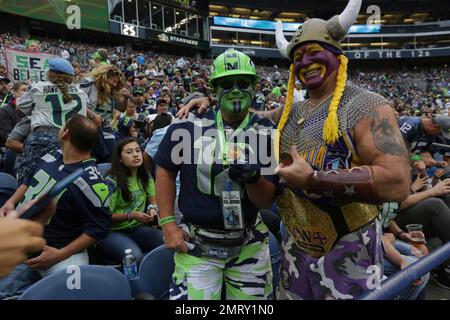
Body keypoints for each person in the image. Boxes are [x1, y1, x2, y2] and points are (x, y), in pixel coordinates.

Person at [268, 0, 410, 299]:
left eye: (313, 52)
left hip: (349, 246)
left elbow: (397, 181)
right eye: (298, 56)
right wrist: (198, 101)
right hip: (294, 242)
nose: (305, 62)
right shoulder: (290, 112)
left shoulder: (367, 105)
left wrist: (314, 180)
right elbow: (247, 121)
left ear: (337, 56)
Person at [154, 49, 277, 300]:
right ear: (214, 89)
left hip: (248, 243)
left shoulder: (265, 130)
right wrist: (167, 224)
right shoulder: (188, 125)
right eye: (226, 83)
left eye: (242, 83)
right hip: (197, 243)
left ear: (254, 87)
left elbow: (265, 201)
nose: (235, 90)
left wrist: (253, 177)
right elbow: (165, 169)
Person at [0, 114, 111, 298]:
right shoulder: (55, 153)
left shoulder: (89, 181)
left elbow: (98, 228)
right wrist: (10, 202)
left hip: (61, 252)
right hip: (25, 243)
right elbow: (29, 180)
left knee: (73, 291)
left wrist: (59, 254)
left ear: (65, 133)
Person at [14, 58, 88, 183]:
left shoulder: (37, 87)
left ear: (50, 73)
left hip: (43, 140)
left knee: (28, 182)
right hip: (72, 142)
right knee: (64, 183)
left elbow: (20, 106)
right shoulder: (81, 92)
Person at [95, 138, 163, 265]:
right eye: (129, 152)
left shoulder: (146, 177)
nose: (136, 154)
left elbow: (152, 200)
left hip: (136, 229)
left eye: (138, 150)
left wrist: (152, 209)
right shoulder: (112, 182)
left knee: (166, 241)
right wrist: (130, 215)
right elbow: (104, 216)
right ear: (120, 158)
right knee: (134, 257)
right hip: (112, 232)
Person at [80, 64, 127, 163]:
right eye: (114, 81)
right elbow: (76, 102)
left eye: (117, 82)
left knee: (112, 162)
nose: (115, 84)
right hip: (87, 129)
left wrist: (126, 98)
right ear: (105, 77)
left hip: (105, 129)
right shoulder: (89, 83)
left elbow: (121, 109)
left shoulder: (112, 90)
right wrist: (92, 115)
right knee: (87, 161)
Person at [0, 81, 27, 148]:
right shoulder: (5, 111)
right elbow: (5, 135)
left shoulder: (34, 110)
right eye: (24, 90)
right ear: (14, 92)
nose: (27, 93)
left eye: (29, 90)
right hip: (11, 149)